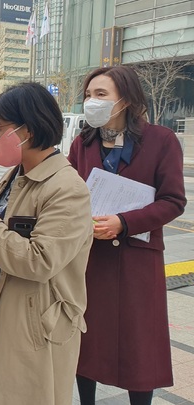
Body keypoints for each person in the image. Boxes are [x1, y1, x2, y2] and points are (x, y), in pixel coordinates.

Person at [0, 82, 93, 405]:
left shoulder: (66, 187)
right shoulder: (16, 174)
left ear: (27, 130)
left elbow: (40, 260)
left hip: (32, 325)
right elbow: (6, 230)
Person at [69, 66, 186, 405]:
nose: (93, 102)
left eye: (101, 95)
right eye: (89, 95)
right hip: (92, 258)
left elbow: (173, 201)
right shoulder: (83, 142)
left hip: (138, 259)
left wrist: (123, 222)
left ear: (126, 99)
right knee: (88, 338)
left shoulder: (161, 140)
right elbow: (70, 193)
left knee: (140, 342)